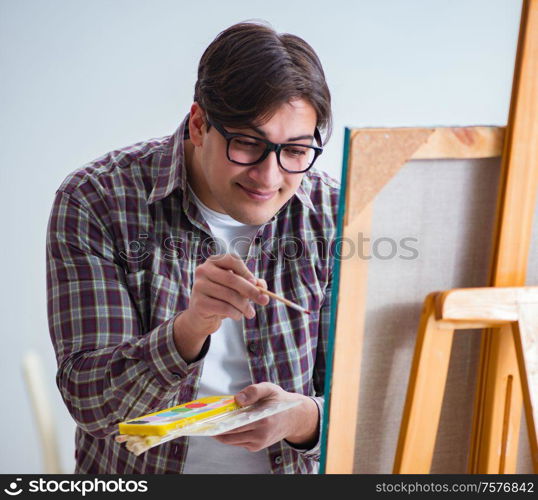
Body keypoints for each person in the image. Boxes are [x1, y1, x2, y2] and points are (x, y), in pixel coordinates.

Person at [46, 20, 339, 474]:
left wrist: (306, 419)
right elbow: (93, 405)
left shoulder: (333, 211)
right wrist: (190, 329)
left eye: (296, 151)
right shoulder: (96, 200)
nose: (269, 177)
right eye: (246, 144)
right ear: (200, 124)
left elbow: (369, 396)